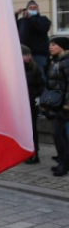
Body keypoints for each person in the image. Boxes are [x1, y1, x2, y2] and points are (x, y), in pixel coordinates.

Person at [43, 36, 69, 176]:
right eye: (50, 45)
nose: (50, 47)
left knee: (57, 133)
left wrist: (67, 104)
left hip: (62, 105)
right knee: (60, 134)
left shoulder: (66, 62)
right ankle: (64, 161)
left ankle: (63, 164)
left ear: (62, 46)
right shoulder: (56, 61)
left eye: (54, 44)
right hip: (55, 103)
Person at [17, 0, 51, 80]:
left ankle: (42, 91)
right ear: (27, 9)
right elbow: (12, 27)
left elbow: (42, 29)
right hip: (23, 53)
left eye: (34, 8)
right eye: (30, 8)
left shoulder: (43, 19)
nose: (32, 9)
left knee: (39, 74)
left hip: (38, 53)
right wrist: (16, 14)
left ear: (38, 9)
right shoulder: (22, 21)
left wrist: (31, 18)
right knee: (24, 76)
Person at [22, 45, 44, 164]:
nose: (28, 57)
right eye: (25, 55)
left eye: (28, 54)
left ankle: (34, 153)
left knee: (31, 129)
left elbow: (40, 84)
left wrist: (38, 98)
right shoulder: (16, 69)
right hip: (20, 104)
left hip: (31, 103)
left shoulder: (34, 68)